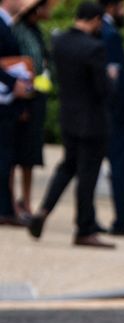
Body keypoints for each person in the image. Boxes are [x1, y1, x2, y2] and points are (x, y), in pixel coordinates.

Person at [26, 1, 112, 247]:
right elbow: (102, 89)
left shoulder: (60, 42)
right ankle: (84, 229)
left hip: (68, 117)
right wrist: (111, 80)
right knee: (87, 175)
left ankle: (43, 211)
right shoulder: (94, 48)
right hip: (92, 122)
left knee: (67, 167)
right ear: (95, 20)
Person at [10, 0, 53, 224]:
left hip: (36, 97)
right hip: (23, 98)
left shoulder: (35, 31)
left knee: (29, 155)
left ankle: (25, 201)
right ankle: (13, 203)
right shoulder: (18, 31)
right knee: (17, 154)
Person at [101, 0, 124, 236]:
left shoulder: (99, 30)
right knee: (121, 166)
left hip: (101, 111)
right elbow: (117, 79)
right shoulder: (110, 34)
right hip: (115, 113)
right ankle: (121, 220)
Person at [0, 0, 35, 227]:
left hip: (9, 99)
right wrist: (14, 82)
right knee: (4, 156)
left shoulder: (8, 24)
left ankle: (6, 208)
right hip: (4, 97)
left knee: (7, 156)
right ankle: (5, 210)